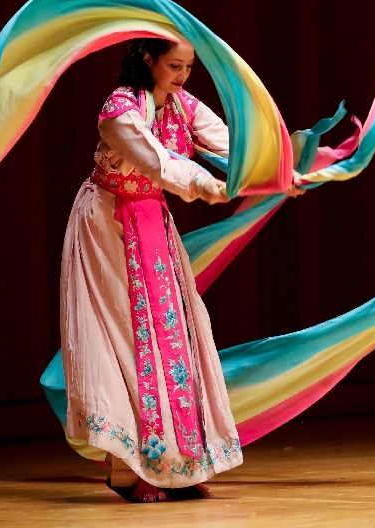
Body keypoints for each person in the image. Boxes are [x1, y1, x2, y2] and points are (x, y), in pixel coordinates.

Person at [60, 38, 302, 502]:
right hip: (108, 224)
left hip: (151, 223)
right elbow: (159, 162)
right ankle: (128, 468)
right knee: (126, 338)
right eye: (175, 66)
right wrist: (212, 187)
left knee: (170, 337)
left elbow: (233, 145)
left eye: (189, 67)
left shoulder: (182, 105)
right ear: (147, 59)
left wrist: (279, 172)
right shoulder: (119, 111)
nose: (183, 76)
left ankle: (177, 465)